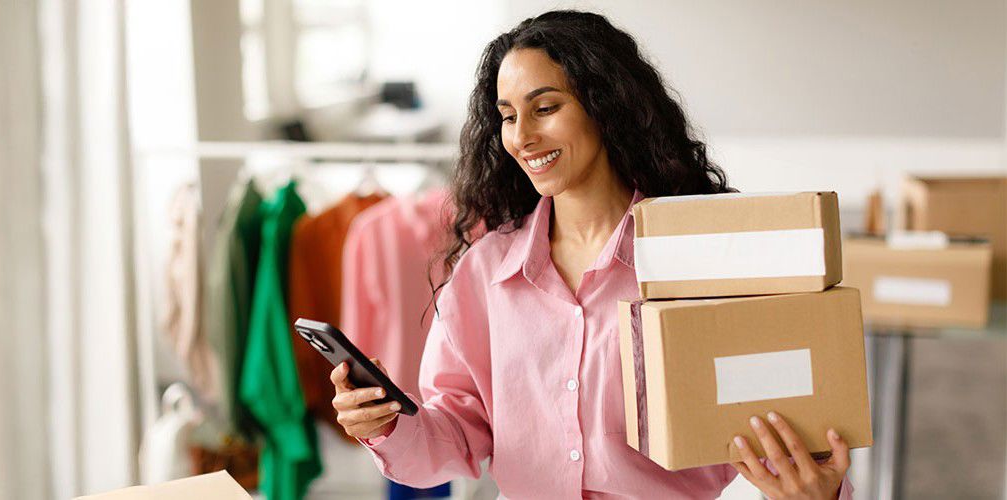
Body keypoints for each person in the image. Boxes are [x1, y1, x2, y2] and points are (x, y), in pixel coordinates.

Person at [330, 10, 853, 499]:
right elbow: (456, 438)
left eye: (546, 108)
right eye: (508, 116)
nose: (523, 136)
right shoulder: (488, 270)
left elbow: (791, 415)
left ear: (605, 106)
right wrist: (389, 424)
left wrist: (820, 490)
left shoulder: (701, 256)